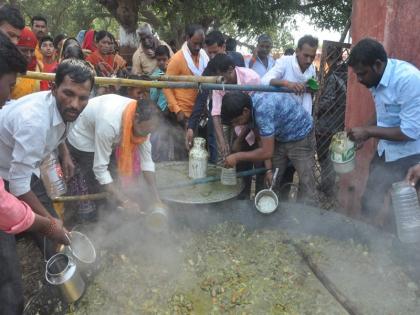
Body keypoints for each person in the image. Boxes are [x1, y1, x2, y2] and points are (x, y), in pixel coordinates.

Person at [0, 59, 94, 257]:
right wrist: (50, 224)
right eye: (68, 94)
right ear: (53, 88)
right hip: (5, 173)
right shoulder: (34, 123)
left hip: (22, 168)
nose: (75, 105)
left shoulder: (68, 110)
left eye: (82, 97)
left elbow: (59, 127)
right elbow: (18, 185)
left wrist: (65, 152)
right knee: (9, 256)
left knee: (51, 228)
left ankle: (61, 274)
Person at [347, 38, 420, 225]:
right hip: (386, 152)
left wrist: (369, 132)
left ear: (378, 65)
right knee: (371, 201)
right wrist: (364, 129)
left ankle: (396, 250)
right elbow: (384, 112)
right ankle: (363, 242)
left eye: (362, 74)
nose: (359, 80)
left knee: (401, 211)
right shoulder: (375, 79)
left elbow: (409, 132)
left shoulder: (408, 80)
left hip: (410, 156)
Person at [67, 94, 161, 220]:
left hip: (105, 137)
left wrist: (157, 200)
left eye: (152, 129)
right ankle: (94, 219)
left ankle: (113, 210)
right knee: (96, 183)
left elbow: (147, 162)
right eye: (148, 129)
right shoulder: (109, 123)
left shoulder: (144, 123)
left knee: (114, 178)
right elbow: (100, 170)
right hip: (83, 138)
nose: (149, 133)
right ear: (136, 118)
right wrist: (126, 201)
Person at [221, 92, 318, 205]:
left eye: (237, 121)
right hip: (281, 137)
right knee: (272, 180)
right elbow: (262, 141)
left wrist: (237, 157)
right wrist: (268, 170)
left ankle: (311, 215)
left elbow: (267, 152)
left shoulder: (262, 110)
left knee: (306, 180)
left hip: (301, 135)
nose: (237, 125)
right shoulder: (251, 107)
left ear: (245, 111)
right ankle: (275, 212)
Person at [163, 24, 208, 158]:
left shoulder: (204, 57)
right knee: (182, 153)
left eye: (201, 44)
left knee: (197, 153)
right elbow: (166, 86)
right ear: (187, 38)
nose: (198, 47)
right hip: (181, 115)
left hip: (198, 114)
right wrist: (177, 110)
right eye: (195, 43)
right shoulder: (177, 59)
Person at [316, 45, 348, 194]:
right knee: (334, 156)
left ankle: (327, 186)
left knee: (324, 157)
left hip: (326, 124)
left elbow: (328, 101)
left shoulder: (333, 75)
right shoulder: (346, 71)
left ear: (327, 56)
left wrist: (314, 109)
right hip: (339, 122)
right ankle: (328, 184)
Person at [261, 35, 318, 114]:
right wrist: (287, 83)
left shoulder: (312, 68)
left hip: (302, 115)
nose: (309, 60)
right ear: (297, 51)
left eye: (312, 57)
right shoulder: (285, 62)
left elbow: (312, 88)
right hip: (282, 113)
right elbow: (265, 80)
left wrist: (312, 87)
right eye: (306, 55)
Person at [10, 27, 43, 99]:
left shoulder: (39, 66)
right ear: (15, 49)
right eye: (24, 50)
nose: (29, 55)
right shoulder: (6, 66)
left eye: (31, 51)